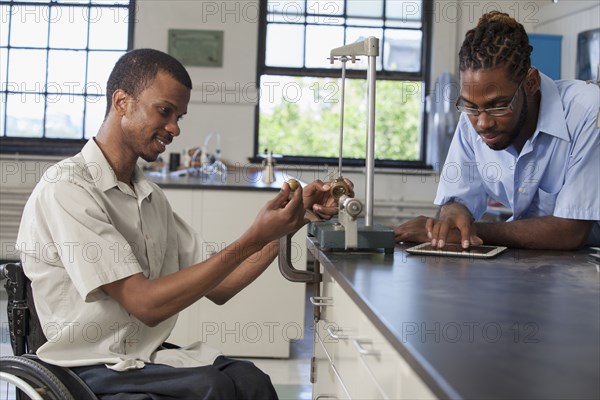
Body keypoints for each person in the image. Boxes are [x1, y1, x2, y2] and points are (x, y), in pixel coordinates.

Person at [16, 48, 349, 400]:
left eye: (179, 116)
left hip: (143, 359)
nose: (174, 127)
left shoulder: (149, 196)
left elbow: (222, 286)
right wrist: (254, 235)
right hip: (87, 366)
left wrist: (289, 224)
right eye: (165, 111)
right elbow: (145, 304)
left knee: (251, 380)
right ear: (122, 102)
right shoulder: (68, 188)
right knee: (213, 389)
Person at [395, 11, 599, 250]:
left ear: (531, 83)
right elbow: (458, 198)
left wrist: (470, 232)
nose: (482, 123)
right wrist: (452, 217)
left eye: (498, 105)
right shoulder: (473, 117)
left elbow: (570, 232)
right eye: (470, 106)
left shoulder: (587, 110)